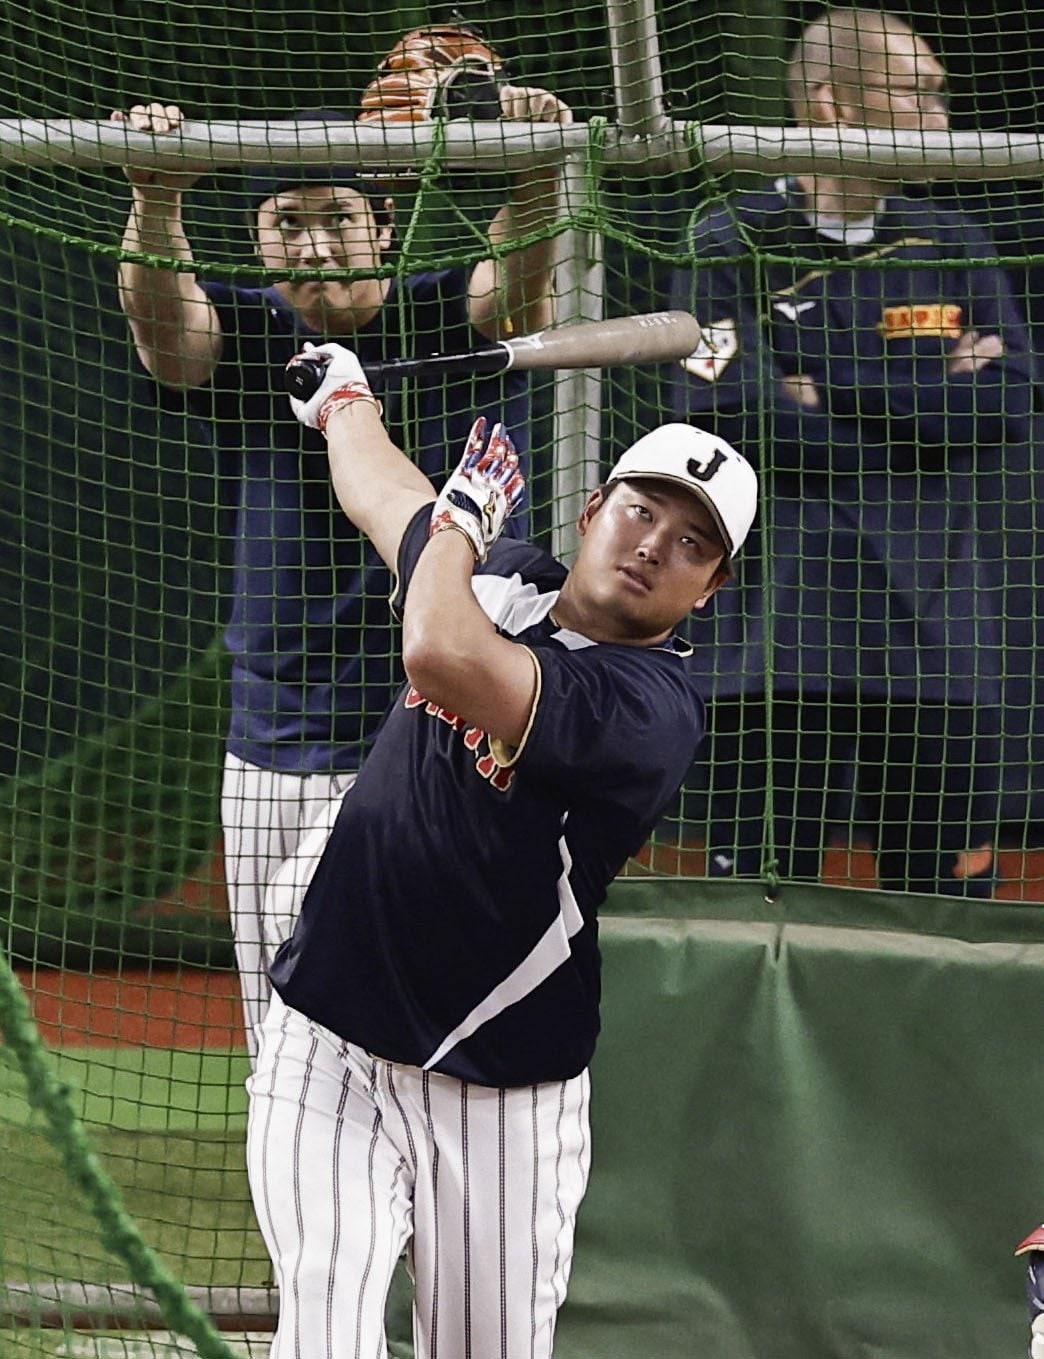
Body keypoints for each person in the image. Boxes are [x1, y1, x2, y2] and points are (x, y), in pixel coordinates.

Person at [243, 340, 757, 1357]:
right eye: (642, 509)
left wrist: (462, 522)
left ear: (709, 590)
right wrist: (344, 398)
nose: (656, 543)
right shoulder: (506, 578)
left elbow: (438, 648)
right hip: (328, 1040)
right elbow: (392, 500)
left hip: (497, 1088)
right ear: (589, 512)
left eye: (693, 543)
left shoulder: (647, 710)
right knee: (323, 1319)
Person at [109, 41, 572, 1054]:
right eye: (287, 225)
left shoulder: (446, 313)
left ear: (383, 228)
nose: (313, 247)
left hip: (433, 730)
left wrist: (540, 170)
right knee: (280, 1020)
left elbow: (520, 288)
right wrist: (156, 201)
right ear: (261, 245)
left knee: (431, 1003)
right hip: (272, 741)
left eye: (335, 219)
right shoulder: (252, 335)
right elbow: (166, 337)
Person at [667, 6, 1041, 896]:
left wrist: (823, 384)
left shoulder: (957, 247)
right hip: (774, 647)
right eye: (919, 94)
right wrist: (929, 402)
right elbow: (730, 421)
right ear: (835, 103)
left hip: (938, 652)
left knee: (947, 921)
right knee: (753, 915)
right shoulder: (727, 242)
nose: (943, 118)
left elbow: (1010, 403)